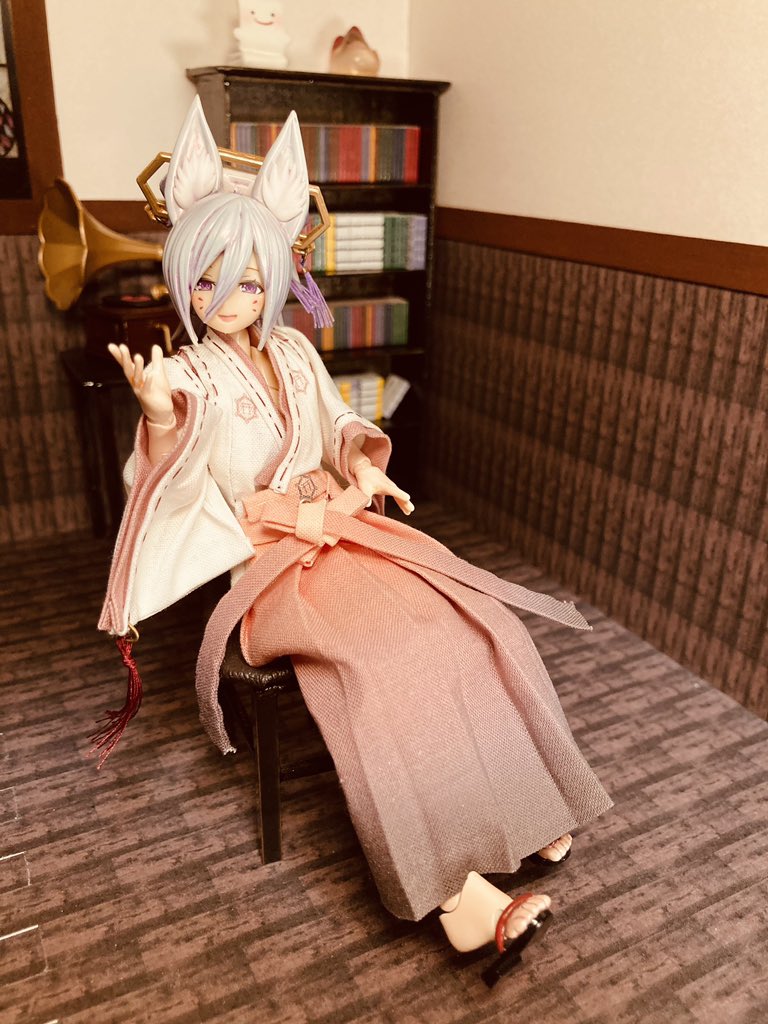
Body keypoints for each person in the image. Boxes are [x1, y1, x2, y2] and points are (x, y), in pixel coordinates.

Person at [98, 98, 612, 985]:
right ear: (184, 280)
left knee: (469, 621)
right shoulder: (186, 375)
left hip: (349, 535)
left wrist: (360, 466)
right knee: (379, 668)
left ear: (274, 280)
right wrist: (158, 419)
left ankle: (521, 812)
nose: (229, 300)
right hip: (272, 571)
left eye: (249, 282)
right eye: (208, 281)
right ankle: (458, 900)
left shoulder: (296, 353)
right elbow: (169, 474)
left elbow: (338, 421)